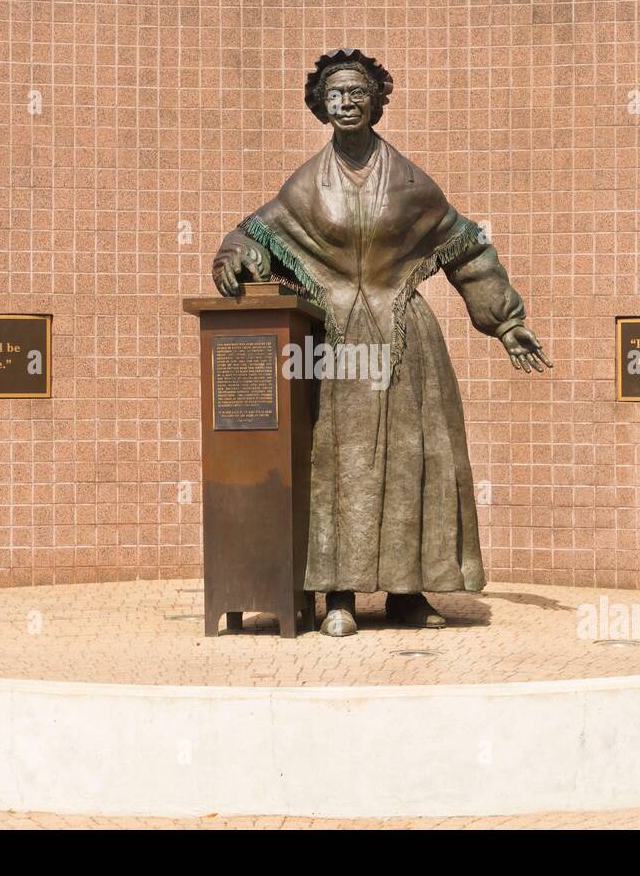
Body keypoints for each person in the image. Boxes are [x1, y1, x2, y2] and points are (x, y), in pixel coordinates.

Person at [213, 48, 551, 637]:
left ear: (376, 103)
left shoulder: (411, 182)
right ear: (322, 105)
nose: (346, 102)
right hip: (335, 342)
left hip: (404, 338)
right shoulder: (304, 185)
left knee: (412, 459)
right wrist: (234, 254)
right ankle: (338, 594)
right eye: (335, 94)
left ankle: (407, 593)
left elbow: (468, 249)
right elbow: (254, 231)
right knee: (337, 462)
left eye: (357, 93)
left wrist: (504, 320)